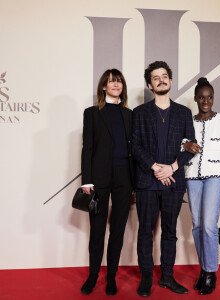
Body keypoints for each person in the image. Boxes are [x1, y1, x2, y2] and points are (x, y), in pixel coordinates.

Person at [132, 61, 195, 297]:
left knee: (169, 231)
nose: (161, 79)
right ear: (150, 84)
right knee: (145, 231)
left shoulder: (184, 113)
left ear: (170, 80)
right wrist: (155, 167)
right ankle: (146, 275)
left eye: (164, 76)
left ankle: (167, 276)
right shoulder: (140, 113)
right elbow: (135, 146)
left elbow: (191, 147)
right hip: (147, 181)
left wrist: (172, 167)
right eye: (156, 77)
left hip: (173, 182)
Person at [80, 69, 134, 296]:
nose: (116, 84)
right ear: (103, 86)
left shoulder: (129, 114)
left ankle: (111, 276)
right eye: (111, 81)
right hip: (99, 179)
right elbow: (88, 148)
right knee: (97, 230)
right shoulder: (92, 113)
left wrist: (135, 182)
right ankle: (93, 275)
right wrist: (87, 180)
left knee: (118, 231)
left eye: (119, 80)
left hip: (124, 178)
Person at [182, 77, 220, 295]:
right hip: (192, 176)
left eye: (210, 97)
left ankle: (211, 272)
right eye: (202, 97)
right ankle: (204, 270)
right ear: (196, 99)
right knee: (196, 225)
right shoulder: (189, 121)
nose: (206, 101)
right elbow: (180, 144)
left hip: (216, 176)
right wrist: (184, 144)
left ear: (213, 98)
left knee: (209, 226)